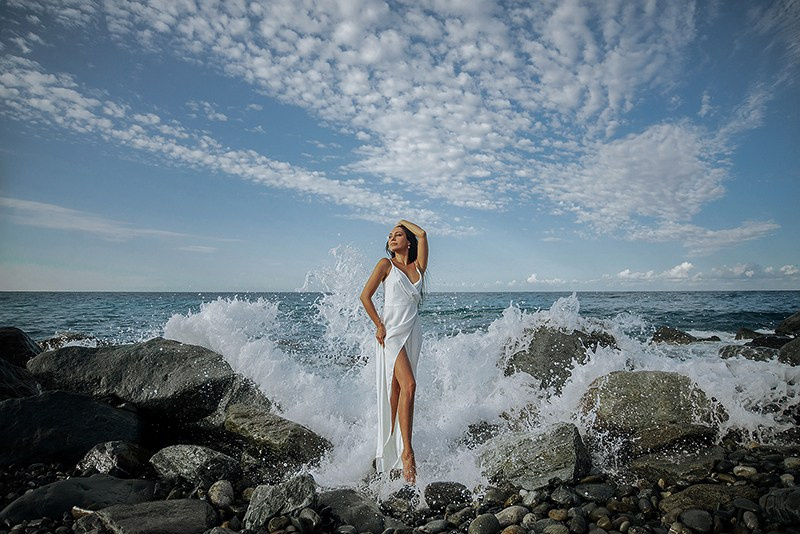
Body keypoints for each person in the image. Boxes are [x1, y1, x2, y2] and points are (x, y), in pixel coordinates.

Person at [360, 219, 428, 484]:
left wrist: (402, 221)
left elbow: (422, 234)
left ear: (407, 242)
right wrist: (378, 324)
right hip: (391, 333)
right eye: (390, 235)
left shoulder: (418, 267)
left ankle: (388, 456)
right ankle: (407, 453)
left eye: (397, 234)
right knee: (409, 385)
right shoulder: (385, 265)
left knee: (398, 389)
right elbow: (365, 296)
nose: (392, 237)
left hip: (413, 332)